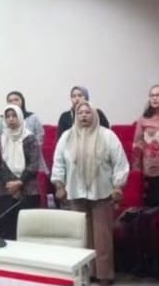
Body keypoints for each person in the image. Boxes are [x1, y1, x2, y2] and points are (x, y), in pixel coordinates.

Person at [52, 101, 129, 286]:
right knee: (81, 236)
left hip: (102, 192)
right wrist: (59, 185)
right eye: (80, 113)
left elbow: (120, 164)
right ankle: (86, 273)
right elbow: (58, 163)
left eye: (88, 112)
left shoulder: (107, 136)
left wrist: (118, 186)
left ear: (94, 115)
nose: (84, 116)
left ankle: (104, 275)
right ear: (75, 116)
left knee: (103, 238)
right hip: (75, 192)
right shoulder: (67, 136)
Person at [0, 105, 42, 240]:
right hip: (5, 189)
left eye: (14, 116)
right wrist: (10, 183)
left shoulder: (29, 138)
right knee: (6, 230)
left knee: (27, 231)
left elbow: (34, 164)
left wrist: (19, 182)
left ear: (20, 117)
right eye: (7, 116)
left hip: (27, 189)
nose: (11, 119)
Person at [0, 91, 47, 172]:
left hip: (32, 158)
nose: (13, 102)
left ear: (22, 101)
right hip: (8, 158)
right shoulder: (2, 120)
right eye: (10, 101)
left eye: (16, 100)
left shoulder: (33, 117)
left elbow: (40, 136)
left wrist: (29, 151)